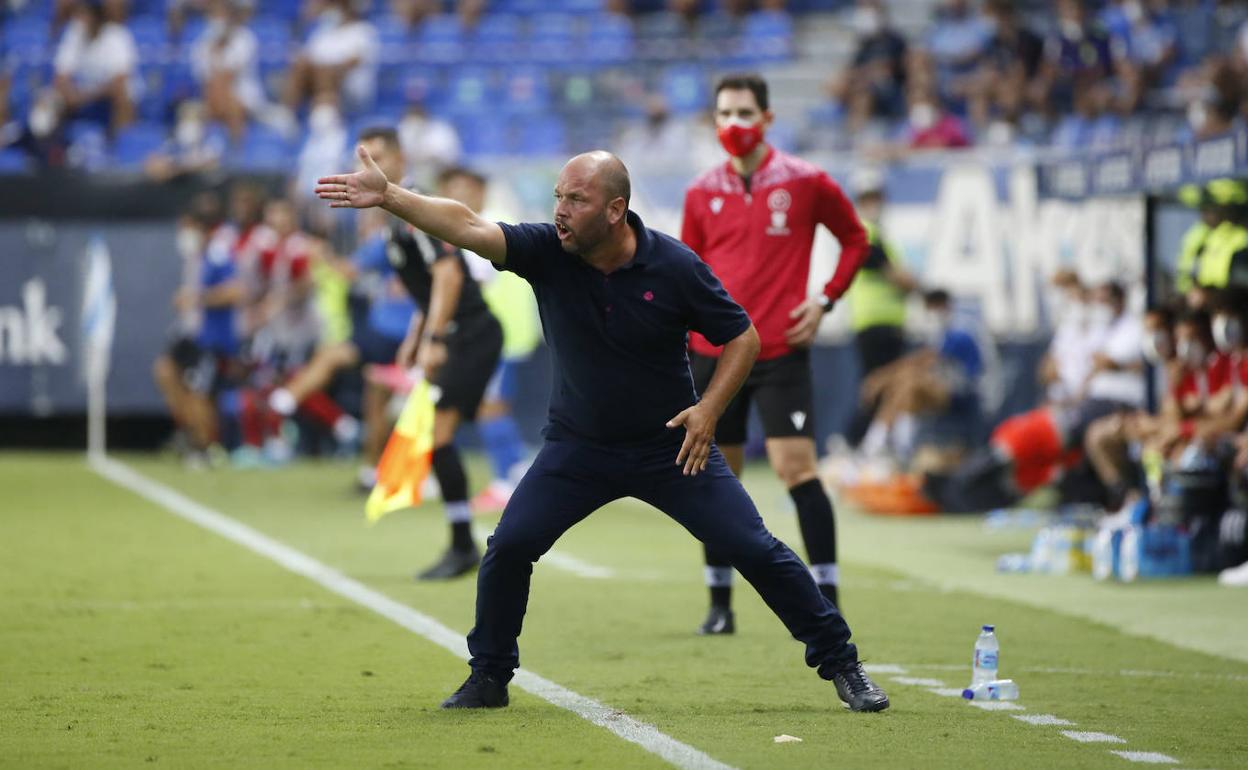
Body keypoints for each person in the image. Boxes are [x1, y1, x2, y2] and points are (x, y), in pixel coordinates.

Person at [316, 148, 891, 712]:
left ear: (615, 209)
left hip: (670, 447)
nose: (560, 210)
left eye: (576, 199)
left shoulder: (674, 266)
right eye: (558, 197)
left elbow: (743, 337)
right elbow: (467, 226)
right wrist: (390, 196)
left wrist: (709, 409)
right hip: (578, 449)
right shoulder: (547, 250)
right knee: (509, 547)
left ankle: (843, 663)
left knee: (755, 548)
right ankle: (489, 676)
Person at [681, 73, 870, 633]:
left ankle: (828, 596)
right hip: (714, 354)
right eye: (724, 115)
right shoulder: (699, 193)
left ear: (767, 118)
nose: (734, 125)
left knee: (796, 469)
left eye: (744, 113)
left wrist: (825, 301)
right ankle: (720, 605)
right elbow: (686, 271)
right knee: (715, 475)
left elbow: (856, 238)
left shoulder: (807, 181)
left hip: (781, 349)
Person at [435, 166, 538, 514]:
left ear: (481, 190)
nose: (459, 196)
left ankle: (506, 481)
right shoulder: (497, 220)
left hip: (497, 334)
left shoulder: (481, 227)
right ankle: (515, 472)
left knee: (490, 406)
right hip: (509, 332)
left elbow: (474, 284)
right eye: (452, 188)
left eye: (465, 188)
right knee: (492, 405)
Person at [843, 167, 916, 448]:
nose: (873, 203)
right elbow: (896, 276)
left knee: (886, 385)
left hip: (884, 322)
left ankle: (873, 443)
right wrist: (914, 284)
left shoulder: (877, 234)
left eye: (876, 196)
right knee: (879, 384)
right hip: (874, 323)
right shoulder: (865, 233)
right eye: (867, 197)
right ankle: (855, 440)